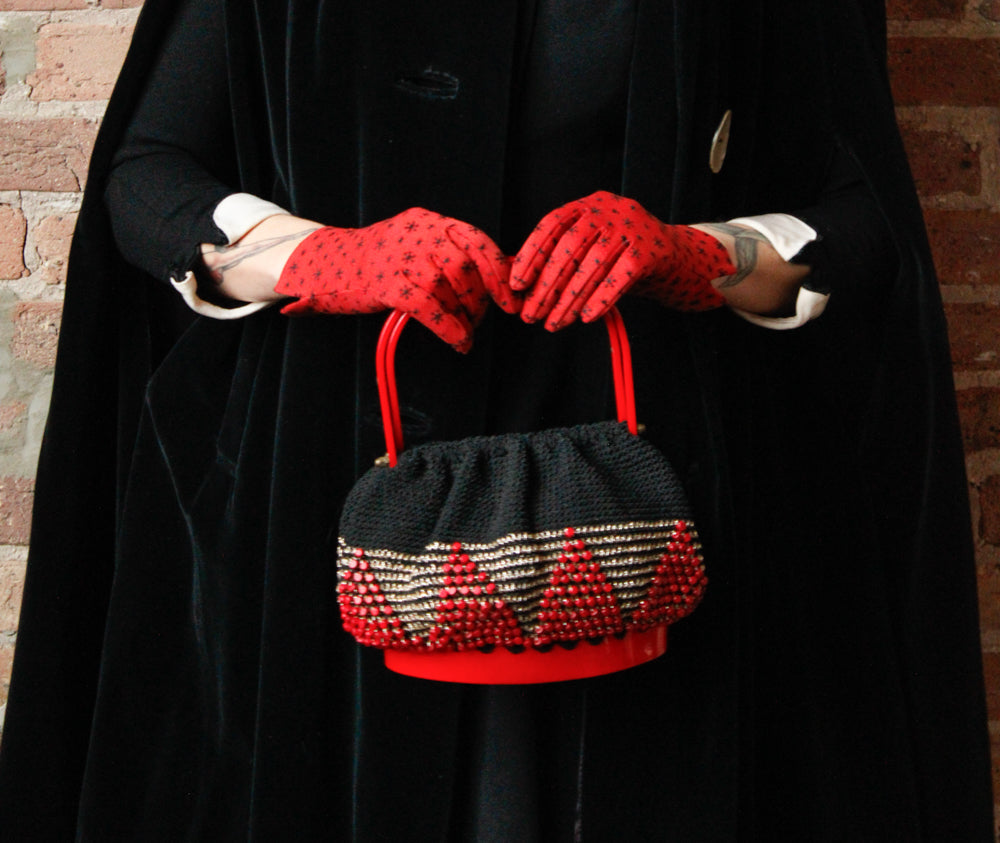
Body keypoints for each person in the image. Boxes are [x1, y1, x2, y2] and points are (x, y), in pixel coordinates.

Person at [0, 0, 993, 840]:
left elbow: (860, 217)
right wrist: (316, 259)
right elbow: (145, 176)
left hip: (635, 505)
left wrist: (694, 255)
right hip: (329, 492)